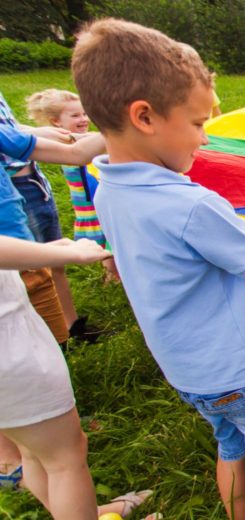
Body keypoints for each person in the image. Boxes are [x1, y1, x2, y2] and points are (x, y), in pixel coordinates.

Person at [72, 19, 245, 520]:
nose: (204, 139)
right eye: (198, 124)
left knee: (231, 447)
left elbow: (219, 243)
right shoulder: (192, 203)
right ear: (146, 116)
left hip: (189, 372)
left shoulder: (110, 188)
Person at [0, 124, 153, 520]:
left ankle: (79, 509)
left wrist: (44, 249)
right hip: (9, 343)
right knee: (65, 458)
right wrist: (66, 255)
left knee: (35, 449)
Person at [1, 91, 102, 343]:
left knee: (42, 281)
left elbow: (74, 153)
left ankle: (63, 336)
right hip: (12, 254)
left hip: (29, 198)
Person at [26, 89, 117, 279]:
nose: (83, 119)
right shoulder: (65, 144)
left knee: (109, 236)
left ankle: (112, 274)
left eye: (84, 113)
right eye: (75, 115)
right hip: (88, 202)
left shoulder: (85, 138)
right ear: (56, 121)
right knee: (106, 236)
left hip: (97, 197)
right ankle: (111, 273)